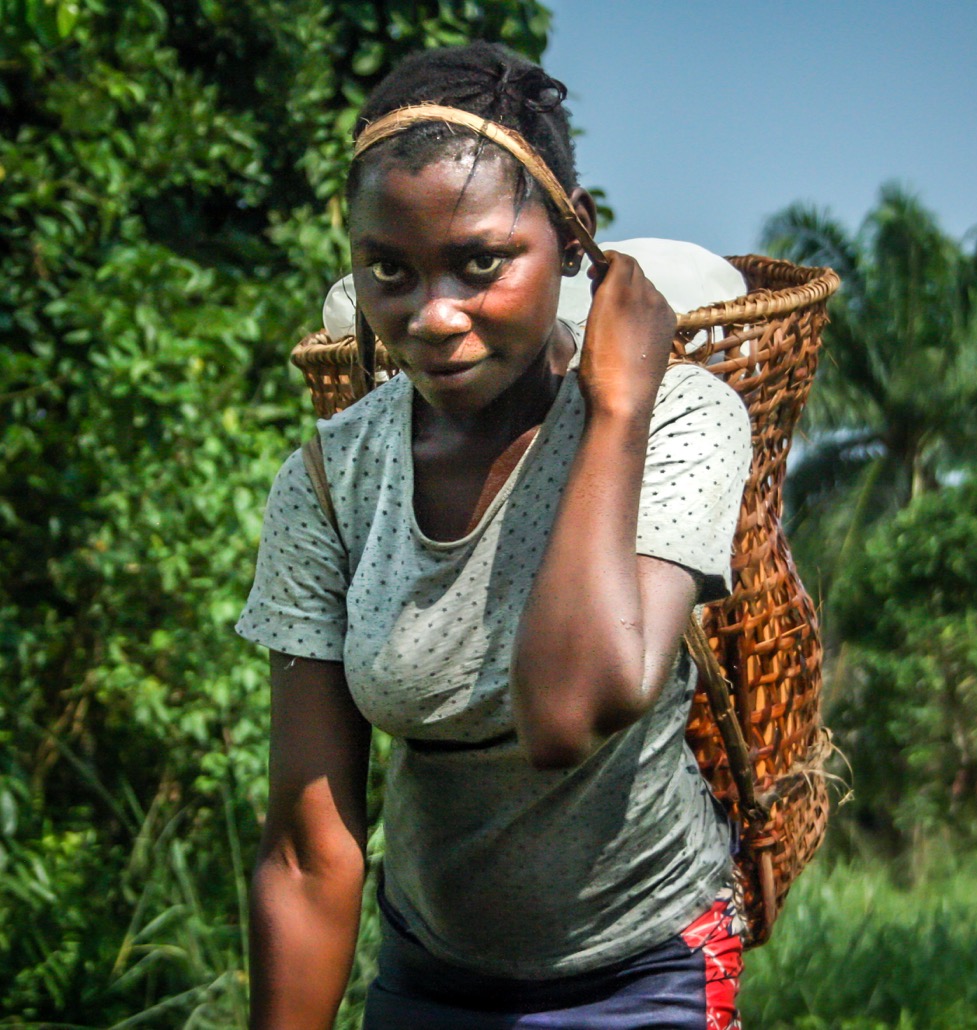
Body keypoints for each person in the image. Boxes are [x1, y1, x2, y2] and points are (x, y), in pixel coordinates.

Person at [236, 41, 753, 1029]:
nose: (433, 316)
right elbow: (307, 852)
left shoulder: (679, 420)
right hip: (429, 973)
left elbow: (566, 714)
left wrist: (614, 408)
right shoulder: (332, 482)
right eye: (389, 269)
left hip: (643, 970)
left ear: (572, 236)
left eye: (481, 264)